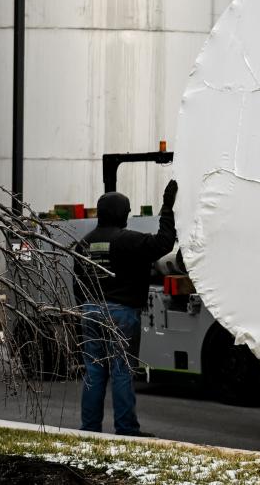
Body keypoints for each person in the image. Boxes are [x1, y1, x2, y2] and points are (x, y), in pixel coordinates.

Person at [73, 179, 178, 436]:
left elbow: (77, 283)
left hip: (91, 311)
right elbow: (164, 243)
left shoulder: (83, 245)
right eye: (127, 212)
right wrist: (167, 207)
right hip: (121, 314)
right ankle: (126, 429)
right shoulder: (128, 241)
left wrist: (86, 309)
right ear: (121, 214)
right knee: (121, 372)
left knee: (94, 372)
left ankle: (89, 430)